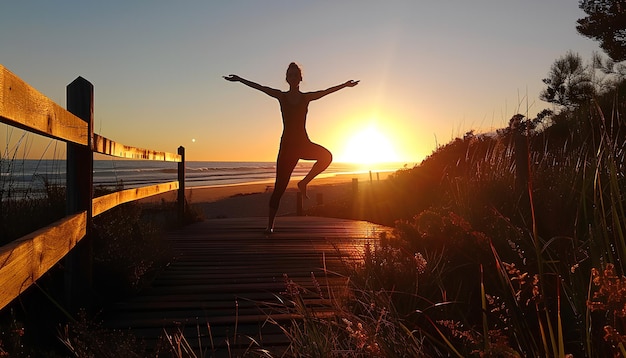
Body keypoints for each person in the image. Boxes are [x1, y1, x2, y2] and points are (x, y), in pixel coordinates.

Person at [224, 62, 359, 234]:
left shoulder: (306, 98)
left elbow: (325, 92)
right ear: (287, 78)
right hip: (287, 148)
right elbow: (260, 87)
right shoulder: (281, 96)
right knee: (279, 187)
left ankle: (304, 182)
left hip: (303, 144)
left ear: (300, 78)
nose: (293, 77)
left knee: (327, 156)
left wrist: (345, 85)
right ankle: (270, 225)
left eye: (296, 75)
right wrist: (240, 79)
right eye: (290, 75)